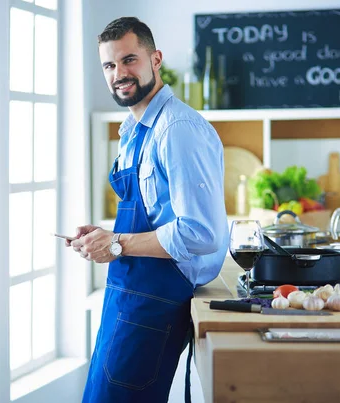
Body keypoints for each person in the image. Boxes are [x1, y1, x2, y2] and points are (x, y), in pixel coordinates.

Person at [66, 17, 228, 403]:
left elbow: (201, 233)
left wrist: (118, 243)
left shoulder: (177, 129)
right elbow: (155, 215)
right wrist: (103, 237)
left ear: (155, 59)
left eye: (129, 60)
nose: (119, 74)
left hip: (155, 302)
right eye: (109, 65)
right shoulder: (133, 130)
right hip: (126, 295)